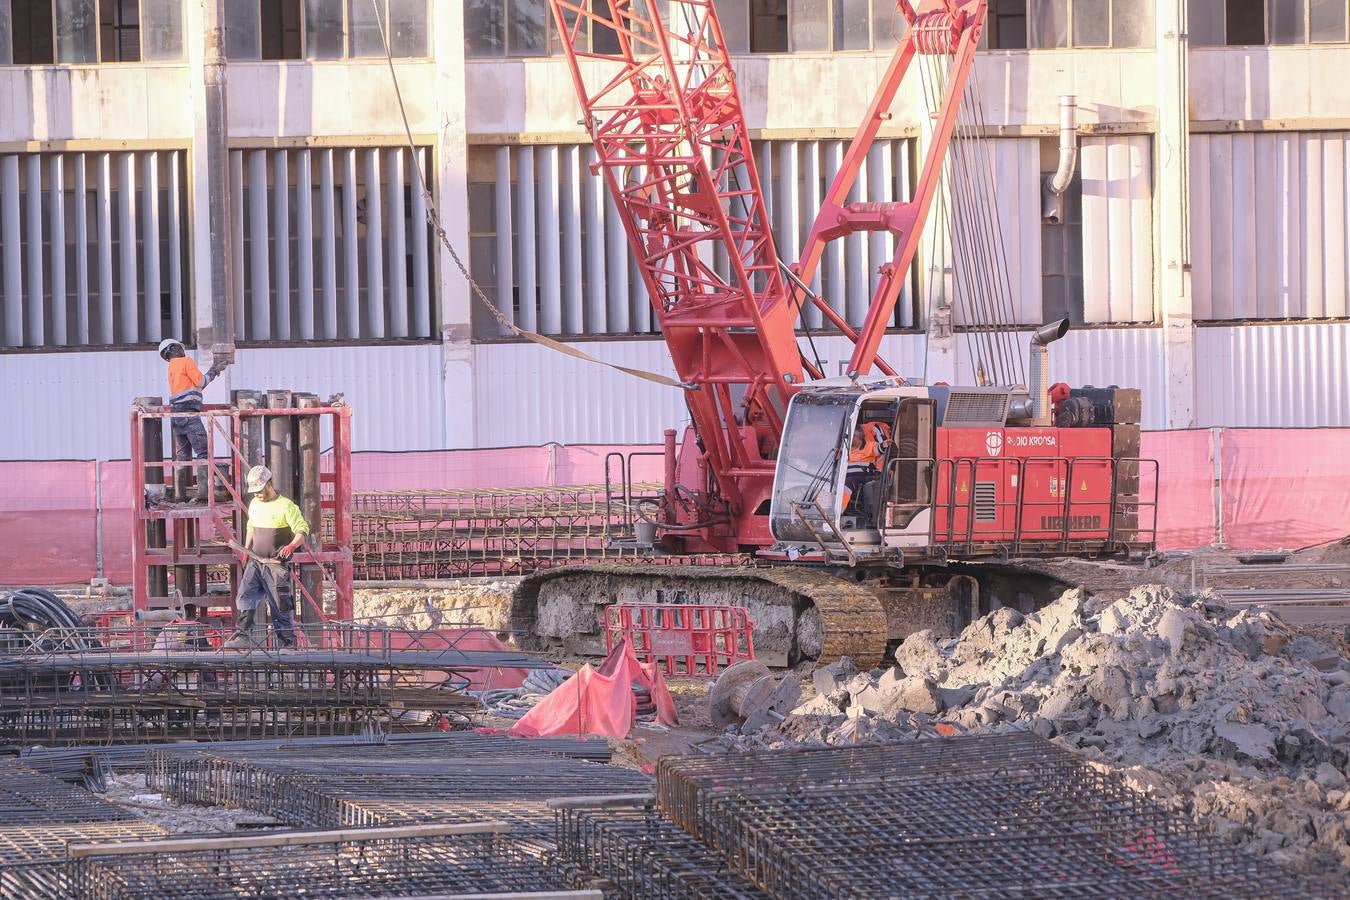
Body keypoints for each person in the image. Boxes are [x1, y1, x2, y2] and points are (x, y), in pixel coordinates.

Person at [225, 465, 310, 649]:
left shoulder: (286, 506)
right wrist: (245, 550)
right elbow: (251, 528)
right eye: (254, 492)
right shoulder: (255, 504)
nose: (257, 495)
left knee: (280, 605)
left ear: (269, 484)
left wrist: (292, 545)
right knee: (245, 596)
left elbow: (302, 530)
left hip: (275, 565)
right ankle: (243, 634)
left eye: (259, 490)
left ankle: (287, 643)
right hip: (256, 562)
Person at [158, 339, 225, 502]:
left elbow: (195, 386)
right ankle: (203, 494)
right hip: (189, 413)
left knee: (182, 455)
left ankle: (180, 495)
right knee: (203, 452)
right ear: (174, 349)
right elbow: (201, 382)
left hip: (176, 416)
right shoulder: (186, 361)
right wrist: (214, 370)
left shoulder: (171, 367)